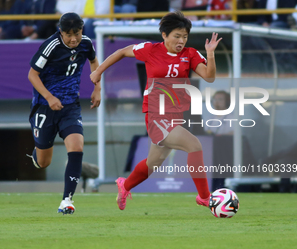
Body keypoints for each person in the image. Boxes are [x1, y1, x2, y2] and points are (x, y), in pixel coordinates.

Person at [90, 11, 222, 210]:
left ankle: (124, 185)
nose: (181, 41)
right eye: (177, 36)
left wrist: (210, 54)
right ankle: (205, 197)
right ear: (164, 35)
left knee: (154, 163)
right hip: (156, 114)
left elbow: (209, 77)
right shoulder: (150, 50)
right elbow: (121, 52)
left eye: (184, 37)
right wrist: (98, 71)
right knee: (194, 145)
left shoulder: (191, 54)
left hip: (175, 115)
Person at [27, 12, 101, 214]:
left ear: (82, 30)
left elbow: (94, 63)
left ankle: (67, 200)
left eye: (77, 33)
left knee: (76, 148)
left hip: (70, 106)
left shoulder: (86, 43)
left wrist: (97, 89)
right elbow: (32, 75)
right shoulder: (50, 46)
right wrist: (50, 97)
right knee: (43, 162)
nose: (73, 39)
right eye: (69, 34)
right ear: (61, 32)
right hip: (45, 106)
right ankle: (37, 152)